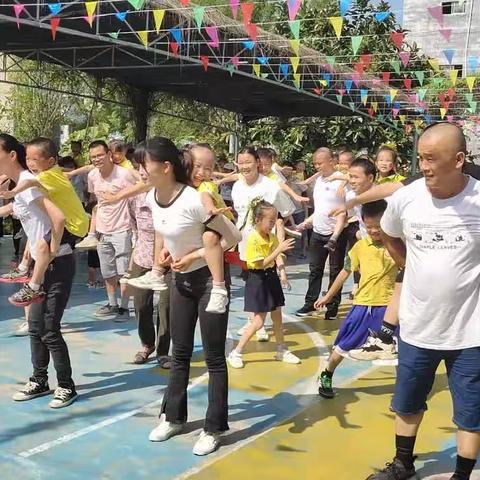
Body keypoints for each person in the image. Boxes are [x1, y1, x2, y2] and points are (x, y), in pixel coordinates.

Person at [367, 123, 480, 480]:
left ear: (459, 159)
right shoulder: (407, 198)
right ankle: (403, 464)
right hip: (417, 327)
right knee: (407, 402)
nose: (424, 166)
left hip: (471, 332)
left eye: (431, 159)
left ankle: (462, 474)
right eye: (420, 158)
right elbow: (388, 230)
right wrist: (406, 262)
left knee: (470, 412)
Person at [142, 137, 239, 456]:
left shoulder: (199, 199)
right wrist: (165, 258)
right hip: (180, 280)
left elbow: (232, 237)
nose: (201, 171)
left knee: (213, 357)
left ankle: (214, 427)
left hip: (210, 283)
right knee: (179, 353)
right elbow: (164, 233)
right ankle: (173, 418)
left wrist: (196, 255)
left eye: (207, 167)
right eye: (196, 165)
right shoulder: (156, 198)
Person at [0, 134, 77, 408]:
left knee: (49, 328)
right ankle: (39, 380)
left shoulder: (32, 183)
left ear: (11, 155)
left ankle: (66, 385)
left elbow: (57, 217)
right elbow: (18, 209)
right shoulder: (21, 184)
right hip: (40, 264)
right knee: (35, 328)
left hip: (57, 264)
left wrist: (53, 246)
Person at [314, 200, 398, 398]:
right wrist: (328, 296)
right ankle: (327, 373)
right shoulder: (360, 247)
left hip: (390, 308)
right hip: (364, 305)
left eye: (378, 226)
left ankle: (402, 391)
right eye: (369, 227)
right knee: (344, 345)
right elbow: (344, 272)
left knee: (396, 350)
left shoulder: (397, 244)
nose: (374, 231)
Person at [0, 137, 88, 307]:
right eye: (27, 159)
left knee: (42, 246)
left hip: (73, 227)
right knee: (37, 246)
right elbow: (14, 207)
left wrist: (53, 247)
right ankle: (23, 270)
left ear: (50, 161)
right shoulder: (46, 173)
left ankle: (33, 285)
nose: (30, 163)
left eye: (35, 160)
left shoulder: (43, 177)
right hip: (70, 227)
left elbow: (30, 184)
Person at [231, 147, 296, 341]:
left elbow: (286, 211)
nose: (244, 166)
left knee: (265, 282)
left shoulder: (270, 186)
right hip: (244, 243)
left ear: (257, 162)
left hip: (265, 245)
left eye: (248, 162)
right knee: (251, 282)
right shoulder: (237, 187)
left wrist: (275, 238)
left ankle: (260, 323)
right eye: (240, 163)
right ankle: (254, 320)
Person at [227, 200, 300, 369]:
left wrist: (282, 273)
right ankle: (236, 352)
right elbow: (260, 263)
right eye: (270, 221)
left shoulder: (272, 237)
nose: (273, 224)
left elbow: (277, 257)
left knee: (277, 316)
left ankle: (281, 349)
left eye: (275, 221)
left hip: (271, 277)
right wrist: (278, 250)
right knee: (258, 321)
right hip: (257, 279)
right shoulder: (252, 239)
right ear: (258, 220)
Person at [296, 148, 348, 320]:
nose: (317, 166)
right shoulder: (318, 180)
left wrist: (344, 180)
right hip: (317, 231)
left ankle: (332, 306)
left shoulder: (342, 180)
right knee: (315, 269)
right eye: (315, 163)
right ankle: (310, 303)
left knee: (335, 270)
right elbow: (320, 209)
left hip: (336, 233)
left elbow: (355, 186)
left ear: (332, 161)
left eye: (320, 163)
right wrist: (306, 223)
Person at [87, 140, 136, 320]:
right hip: (102, 231)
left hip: (122, 230)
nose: (97, 159)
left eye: (100, 155)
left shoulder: (124, 174)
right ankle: (112, 303)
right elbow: (97, 202)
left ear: (109, 154)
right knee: (107, 272)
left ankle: (124, 307)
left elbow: (139, 191)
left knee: (124, 272)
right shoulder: (92, 176)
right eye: (93, 157)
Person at [128, 164, 171, 367]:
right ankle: (147, 344)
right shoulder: (133, 197)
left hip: (168, 258)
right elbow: (135, 226)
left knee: (166, 306)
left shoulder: (169, 196)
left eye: (147, 167)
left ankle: (163, 351)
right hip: (142, 256)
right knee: (141, 304)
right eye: (140, 167)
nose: (143, 172)